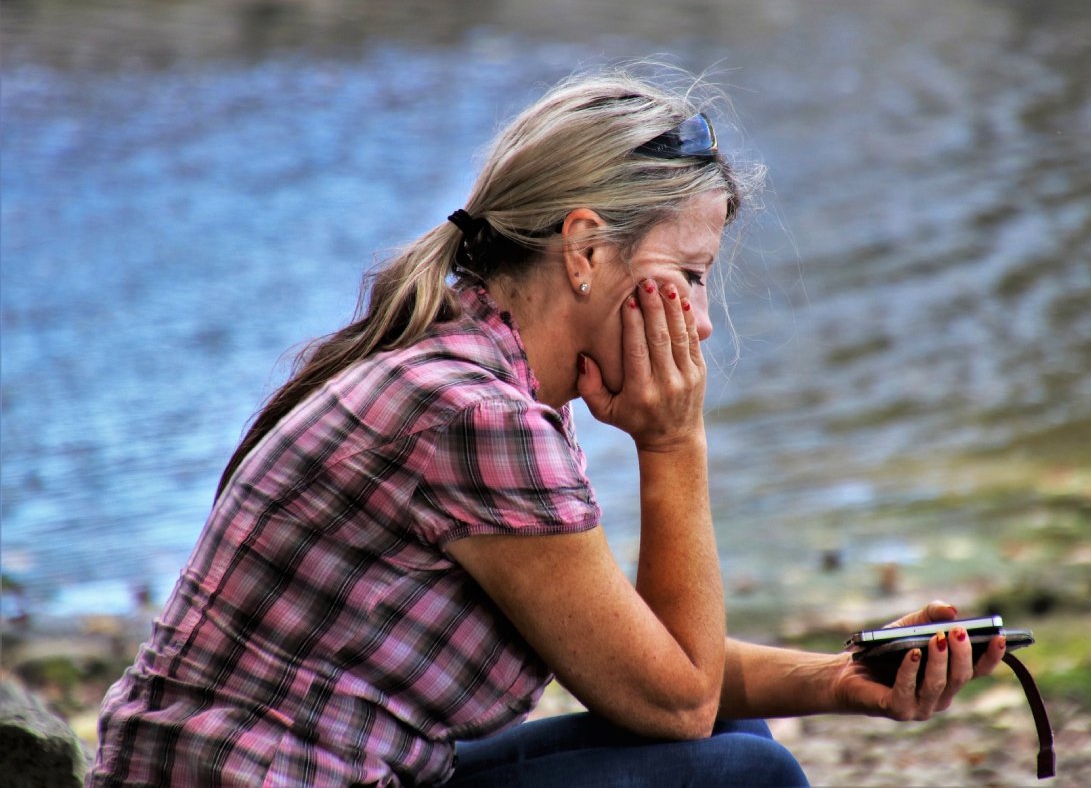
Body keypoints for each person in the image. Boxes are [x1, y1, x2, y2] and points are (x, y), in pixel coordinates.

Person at [89, 67, 1004, 787]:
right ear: (584, 249)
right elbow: (676, 699)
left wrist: (843, 680)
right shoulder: (476, 415)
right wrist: (673, 443)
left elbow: (650, 667)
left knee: (737, 738)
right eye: (687, 275)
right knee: (739, 771)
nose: (702, 317)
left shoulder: (474, 369)